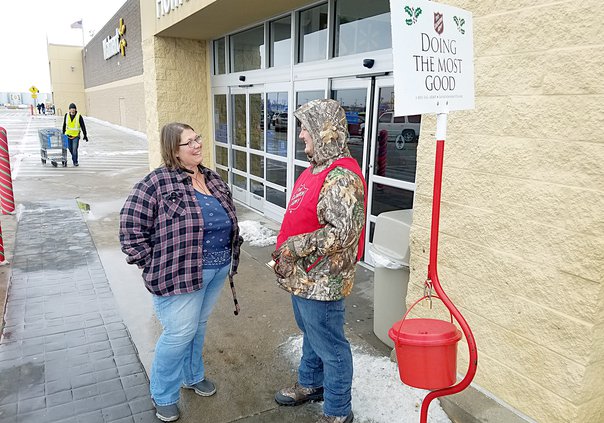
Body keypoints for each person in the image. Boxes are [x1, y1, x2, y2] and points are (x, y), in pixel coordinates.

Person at [119, 122, 243, 422]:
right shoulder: (156, 183)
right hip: (180, 275)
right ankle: (163, 394)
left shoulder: (211, 178)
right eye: (188, 143)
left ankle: (193, 376)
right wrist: (151, 262)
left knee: (197, 327)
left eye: (197, 138)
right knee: (179, 334)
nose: (197, 145)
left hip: (217, 269)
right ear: (173, 150)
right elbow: (130, 228)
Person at [272, 99, 367, 423]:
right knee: (311, 333)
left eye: (305, 128)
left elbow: (343, 234)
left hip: (323, 282)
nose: (301, 135)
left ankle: (338, 411)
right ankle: (312, 384)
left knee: (331, 346)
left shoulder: (342, 177)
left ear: (324, 132)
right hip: (305, 279)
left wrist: (295, 245)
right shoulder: (317, 169)